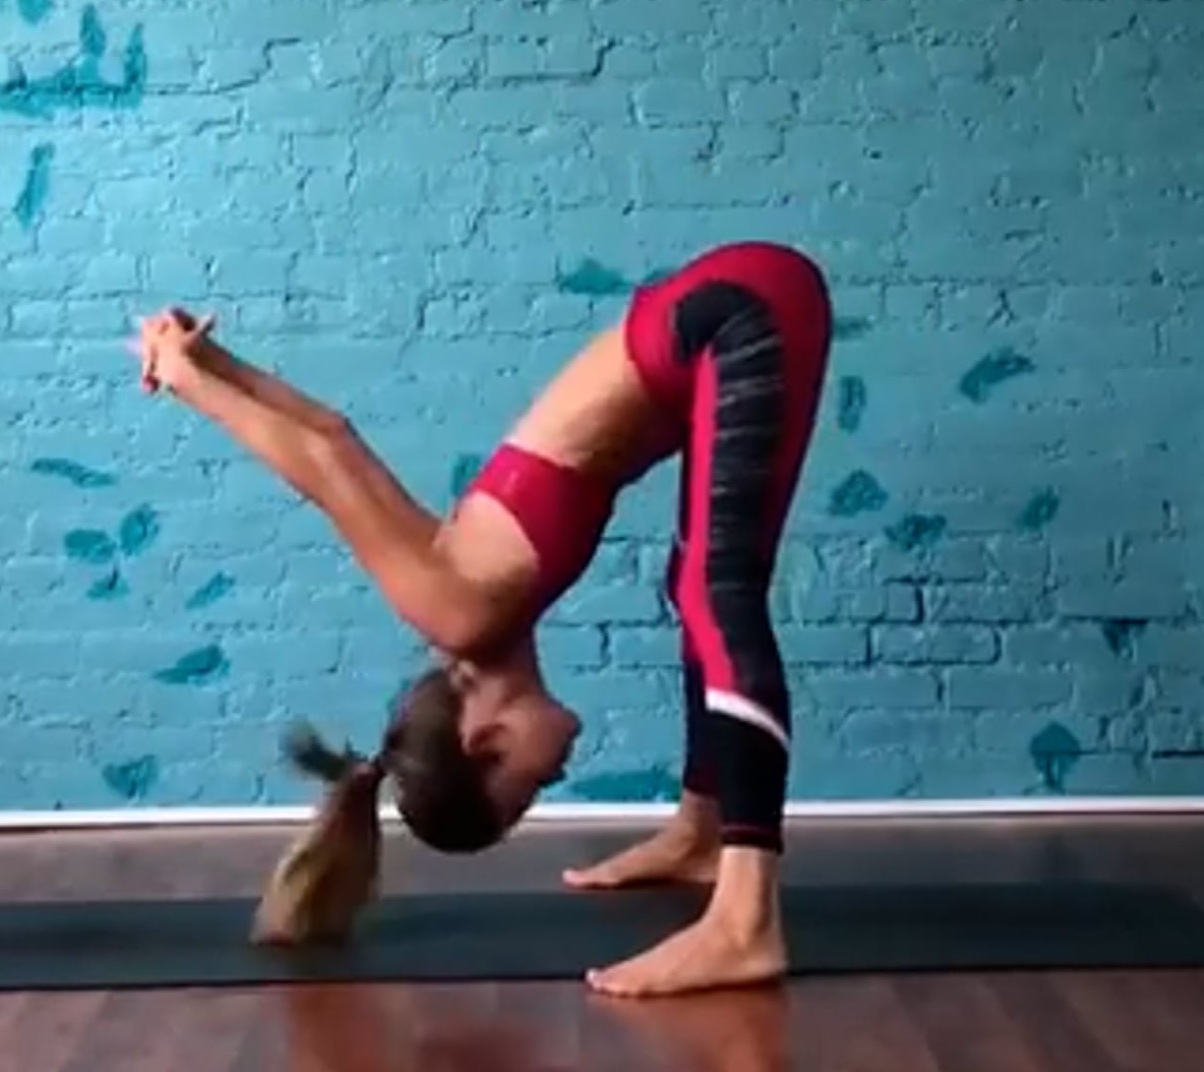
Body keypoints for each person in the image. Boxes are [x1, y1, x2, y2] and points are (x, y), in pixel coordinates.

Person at [135, 240, 832, 998]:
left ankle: (744, 924)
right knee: (694, 588)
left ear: (486, 740)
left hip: (733, 318)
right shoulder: (469, 603)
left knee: (715, 596)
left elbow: (323, 471)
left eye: (531, 788)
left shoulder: (460, 613)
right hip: (720, 319)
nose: (556, 775)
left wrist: (189, 382)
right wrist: (214, 362)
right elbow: (333, 435)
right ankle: (700, 834)